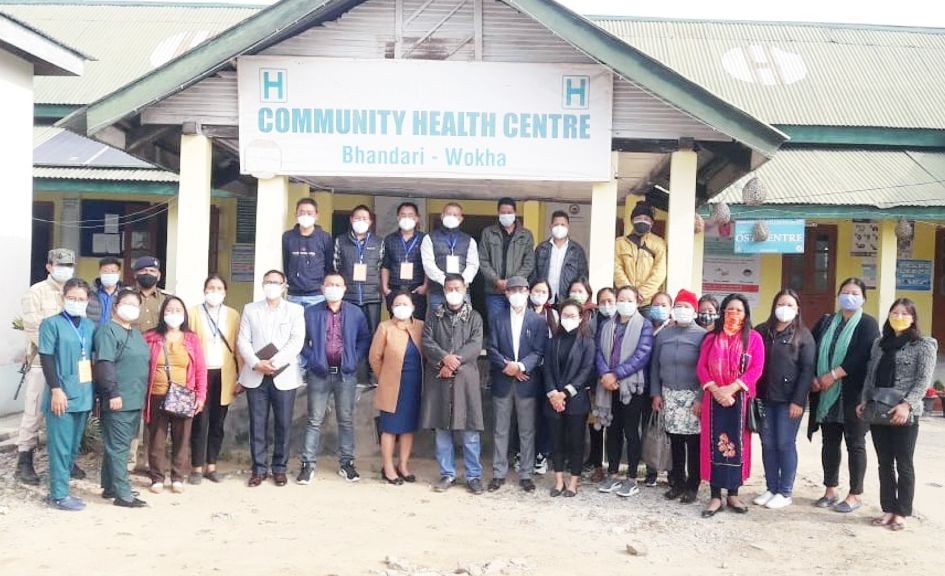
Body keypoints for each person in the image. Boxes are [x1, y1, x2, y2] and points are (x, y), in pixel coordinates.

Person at [857, 298, 937, 531]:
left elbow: (923, 381)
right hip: (878, 409)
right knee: (884, 463)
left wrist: (907, 405)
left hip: (904, 412)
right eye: (895, 312)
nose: (899, 316)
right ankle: (888, 508)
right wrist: (864, 401)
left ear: (913, 318)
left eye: (904, 313)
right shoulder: (879, 343)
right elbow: (871, 376)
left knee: (903, 462)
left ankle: (902, 511)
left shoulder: (924, 344)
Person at [808, 278, 880, 513]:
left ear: (863, 298)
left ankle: (855, 494)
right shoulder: (827, 321)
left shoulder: (868, 323)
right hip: (826, 394)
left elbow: (861, 356)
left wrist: (833, 375)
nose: (849, 296)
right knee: (829, 442)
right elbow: (812, 347)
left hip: (853, 394)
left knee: (855, 444)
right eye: (845, 292)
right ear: (838, 295)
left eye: (855, 292)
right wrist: (813, 377)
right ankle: (830, 489)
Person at [298, 272, 371, 484]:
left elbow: (364, 338)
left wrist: (354, 359)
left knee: (346, 420)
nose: (333, 287)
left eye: (337, 284)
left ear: (345, 288)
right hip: (319, 374)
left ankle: (347, 463)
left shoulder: (355, 313)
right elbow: (300, 340)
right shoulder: (310, 313)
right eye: (329, 284)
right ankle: (307, 465)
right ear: (322, 288)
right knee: (314, 419)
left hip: (345, 374)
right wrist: (313, 358)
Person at [696, 293, 765, 518]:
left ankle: (733, 494)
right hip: (713, 401)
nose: (734, 314)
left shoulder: (754, 338)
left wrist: (731, 389)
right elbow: (702, 367)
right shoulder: (710, 338)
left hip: (740, 401)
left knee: (738, 446)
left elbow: (757, 369)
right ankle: (716, 496)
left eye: (739, 310)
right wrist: (717, 390)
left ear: (746, 314)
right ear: (722, 312)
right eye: (729, 309)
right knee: (713, 444)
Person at [237, 270, 305, 487]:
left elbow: (297, 341)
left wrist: (273, 363)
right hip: (256, 374)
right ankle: (258, 469)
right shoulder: (250, 309)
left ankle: (279, 468)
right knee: (257, 424)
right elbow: (243, 341)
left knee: (283, 424)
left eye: (276, 282)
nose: (271, 285)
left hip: (283, 375)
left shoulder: (295, 310)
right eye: (267, 282)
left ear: (284, 285)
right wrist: (257, 363)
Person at [15, 248, 76, 486]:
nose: (65, 269)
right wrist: (58, 351)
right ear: (49, 266)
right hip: (43, 363)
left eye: (69, 265)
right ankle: (24, 462)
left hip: (71, 365)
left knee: (68, 412)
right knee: (34, 413)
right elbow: (34, 330)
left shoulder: (74, 292)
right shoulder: (36, 293)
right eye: (59, 264)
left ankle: (66, 461)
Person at [421, 274, 485, 494]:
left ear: (465, 288)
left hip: (465, 379)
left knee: (469, 431)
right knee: (442, 431)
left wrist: (454, 361)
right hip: (439, 379)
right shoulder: (434, 314)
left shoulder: (474, 317)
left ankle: (473, 476)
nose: (453, 291)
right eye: (449, 288)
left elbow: (475, 345)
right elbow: (427, 341)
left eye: (457, 287)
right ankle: (447, 474)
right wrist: (443, 359)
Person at [753, 289, 815, 510]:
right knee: (767, 444)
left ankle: (785, 491)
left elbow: (807, 371)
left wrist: (799, 400)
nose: (785, 308)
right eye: (781, 304)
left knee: (785, 444)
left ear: (797, 309)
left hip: (789, 402)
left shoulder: (803, 336)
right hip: (764, 398)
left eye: (790, 305)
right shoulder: (761, 331)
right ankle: (771, 487)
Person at [486, 276, 547, 493]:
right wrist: (507, 366)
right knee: (500, 430)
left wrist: (521, 366)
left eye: (522, 290)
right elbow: (491, 348)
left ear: (528, 292)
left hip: (526, 381)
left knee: (527, 430)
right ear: (506, 293)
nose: (517, 294)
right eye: (513, 290)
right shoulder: (497, 318)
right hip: (503, 380)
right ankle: (498, 473)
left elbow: (539, 351)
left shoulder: (538, 321)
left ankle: (526, 474)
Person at [38, 278, 95, 511]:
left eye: (81, 299)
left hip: (83, 395)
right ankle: (58, 495)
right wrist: (56, 389)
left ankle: (64, 490)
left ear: (88, 301)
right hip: (61, 395)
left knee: (72, 448)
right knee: (60, 448)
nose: (76, 302)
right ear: (63, 298)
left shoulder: (89, 326)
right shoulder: (51, 324)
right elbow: (46, 357)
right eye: (72, 298)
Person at [143, 296, 207, 495]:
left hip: (184, 396)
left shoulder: (191, 338)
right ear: (162, 313)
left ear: (184, 314)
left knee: (182, 439)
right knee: (157, 439)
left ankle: (178, 477)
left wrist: (201, 396)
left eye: (178, 310)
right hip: (156, 394)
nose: (173, 314)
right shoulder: (151, 337)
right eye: (169, 310)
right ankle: (157, 477)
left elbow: (200, 370)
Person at [595, 285, 654, 497]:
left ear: (637, 302)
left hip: (632, 387)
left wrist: (615, 374)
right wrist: (605, 375)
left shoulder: (645, 325)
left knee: (631, 431)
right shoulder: (607, 325)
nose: (625, 303)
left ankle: (631, 477)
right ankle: (612, 472)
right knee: (612, 430)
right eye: (621, 299)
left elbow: (642, 355)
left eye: (630, 300)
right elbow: (598, 353)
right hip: (608, 386)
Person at [94, 288, 150, 508]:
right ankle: (123, 494)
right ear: (116, 306)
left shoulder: (136, 333)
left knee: (119, 444)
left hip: (136, 399)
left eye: (135, 305)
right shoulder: (108, 331)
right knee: (118, 447)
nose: (131, 308)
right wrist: (112, 393)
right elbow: (105, 364)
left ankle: (109, 487)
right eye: (126, 303)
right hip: (118, 398)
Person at [650, 289, 705, 504]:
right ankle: (678, 483)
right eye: (679, 306)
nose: (682, 311)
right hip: (669, 395)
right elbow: (654, 366)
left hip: (692, 396)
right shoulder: (664, 334)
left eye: (687, 307)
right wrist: (656, 392)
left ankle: (693, 485)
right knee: (675, 441)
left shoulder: (701, 335)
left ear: (695, 310)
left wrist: (700, 397)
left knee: (693, 443)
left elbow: (706, 369)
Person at [188, 275, 241, 484]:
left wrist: (241, 377)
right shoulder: (192, 313)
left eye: (219, 288)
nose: (215, 291)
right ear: (204, 290)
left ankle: (212, 465)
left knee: (218, 422)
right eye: (211, 287)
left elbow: (238, 347)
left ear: (225, 292)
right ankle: (196, 467)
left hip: (224, 374)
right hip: (200, 375)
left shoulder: (233, 315)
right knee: (199, 422)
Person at [369, 292, 425, 485]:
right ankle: (388, 467)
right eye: (397, 304)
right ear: (391, 307)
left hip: (414, 384)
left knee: (408, 427)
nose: (401, 307)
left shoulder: (420, 326)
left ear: (413, 307)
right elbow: (374, 358)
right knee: (389, 428)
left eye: (405, 303)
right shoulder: (384, 327)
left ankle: (403, 465)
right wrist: (384, 377)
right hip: (391, 386)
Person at [544, 299, 596, 497]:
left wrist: (564, 393)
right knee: (556, 442)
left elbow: (586, 371)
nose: (568, 319)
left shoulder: (587, 342)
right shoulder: (552, 341)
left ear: (581, 317)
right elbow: (547, 369)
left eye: (572, 316)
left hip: (575, 400)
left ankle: (574, 482)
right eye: (564, 315)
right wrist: (553, 394)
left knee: (576, 442)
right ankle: (558, 481)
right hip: (553, 400)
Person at [479, 198, 536, 320]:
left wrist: (513, 282)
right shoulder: (488, 233)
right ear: (498, 213)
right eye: (503, 212)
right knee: (496, 326)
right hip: (494, 291)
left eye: (509, 212)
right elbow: (483, 260)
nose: (506, 215)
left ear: (515, 213)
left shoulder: (525, 235)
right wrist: (496, 280)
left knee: (516, 325)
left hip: (517, 291)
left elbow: (529, 263)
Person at [334, 204, 385, 338]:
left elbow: (380, 267)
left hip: (372, 298)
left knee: (372, 335)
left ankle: (369, 360)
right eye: (357, 218)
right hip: (348, 296)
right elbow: (336, 266)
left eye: (364, 218)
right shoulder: (341, 240)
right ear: (351, 220)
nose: (361, 221)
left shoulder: (379, 242)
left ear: (370, 221)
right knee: (348, 334)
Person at [641, 290, 674, 487]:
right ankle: (651, 470)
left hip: (667, 387)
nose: (659, 308)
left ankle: (671, 471)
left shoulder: (673, 328)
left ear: (671, 309)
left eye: (664, 305)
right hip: (645, 386)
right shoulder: (645, 327)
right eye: (656, 304)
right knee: (650, 428)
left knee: (669, 431)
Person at [420, 202, 480, 312]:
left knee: (464, 325)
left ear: (461, 219)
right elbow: (428, 264)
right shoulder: (429, 238)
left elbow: (473, 265)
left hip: (462, 291)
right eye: (448, 214)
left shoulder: (469, 240)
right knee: (437, 325)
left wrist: (460, 283)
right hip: (438, 290)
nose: (451, 217)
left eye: (455, 215)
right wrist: (445, 281)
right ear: (442, 216)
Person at [584, 285, 614, 483]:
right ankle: (596, 464)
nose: (606, 305)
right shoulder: (592, 324)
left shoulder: (622, 323)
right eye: (602, 301)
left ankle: (612, 466)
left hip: (617, 382)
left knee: (613, 427)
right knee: (595, 425)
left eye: (610, 301)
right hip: (596, 381)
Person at [283, 197, 334, 308]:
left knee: (315, 325)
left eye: (309, 213)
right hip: (293, 295)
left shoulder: (325, 238)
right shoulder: (287, 237)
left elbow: (329, 265)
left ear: (316, 215)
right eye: (302, 212)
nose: (305, 215)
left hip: (317, 295)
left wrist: (322, 286)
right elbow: (285, 263)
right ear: (295, 215)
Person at [381, 201, 428, 319]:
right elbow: (385, 266)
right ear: (398, 218)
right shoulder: (389, 239)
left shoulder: (425, 239)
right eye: (403, 215)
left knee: (416, 325)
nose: (407, 218)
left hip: (416, 290)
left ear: (417, 218)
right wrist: (385, 289)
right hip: (395, 289)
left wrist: (425, 286)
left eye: (410, 215)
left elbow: (428, 265)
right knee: (395, 324)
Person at [614, 202, 666, 305]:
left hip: (649, 302)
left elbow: (659, 273)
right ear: (632, 221)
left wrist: (642, 293)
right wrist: (629, 292)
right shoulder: (619, 243)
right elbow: (617, 269)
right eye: (639, 218)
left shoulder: (659, 243)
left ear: (651, 223)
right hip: (625, 300)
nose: (642, 221)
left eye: (646, 219)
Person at [531, 210, 588, 304]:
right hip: (544, 298)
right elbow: (534, 274)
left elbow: (583, 275)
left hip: (567, 299)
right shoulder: (541, 249)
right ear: (551, 226)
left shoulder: (576, 250)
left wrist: (578, 295)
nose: (559, 227)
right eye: (556, 224)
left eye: (563, 225)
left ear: (568, 227)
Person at [131, 256, 169, 332]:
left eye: (152, 271)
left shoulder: (167, 298)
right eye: (143, 270)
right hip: (132, 342)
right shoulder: (125, 297)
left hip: (159, 342)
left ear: (158, 276)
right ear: (135, 275)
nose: (148, 273)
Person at [86, 256, 123, 326]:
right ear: (100, 272)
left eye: (113, 271)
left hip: (115, 335)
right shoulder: (89, 292)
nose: (109, 274)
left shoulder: (124, 295)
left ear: (119, 273)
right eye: (105, 271)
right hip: (93, 334)